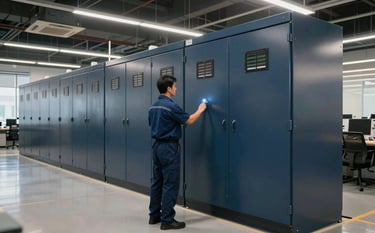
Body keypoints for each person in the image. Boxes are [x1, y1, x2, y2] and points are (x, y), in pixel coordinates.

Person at [148, 75, 207, 230]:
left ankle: (154, 216)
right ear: (168, 88)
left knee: (157, 182)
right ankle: (167, 220)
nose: (176, 88)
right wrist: (200, 110)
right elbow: (189, 120)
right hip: (169, 149)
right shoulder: (171, 106)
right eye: (174, 86)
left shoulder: (153, 106)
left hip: (157, 147)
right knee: (170, 184)